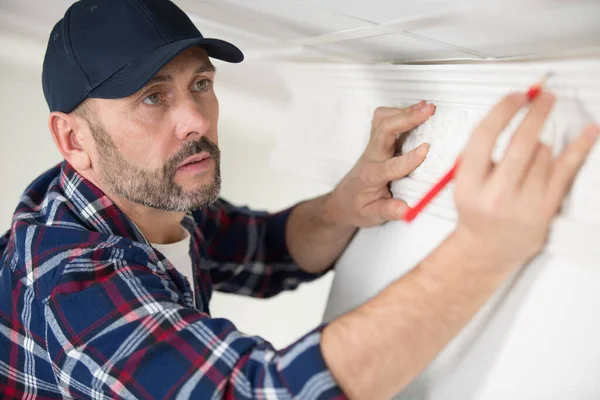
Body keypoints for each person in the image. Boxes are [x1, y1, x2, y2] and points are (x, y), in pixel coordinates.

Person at [0, 0, 597, 398]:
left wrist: (343, 204)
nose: (194, 120)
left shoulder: (147, 197)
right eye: (152, 99)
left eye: (200, 84)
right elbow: (267, 391)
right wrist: (482, 252)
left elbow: (268, 250)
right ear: (73, 139)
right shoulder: (68, 279)